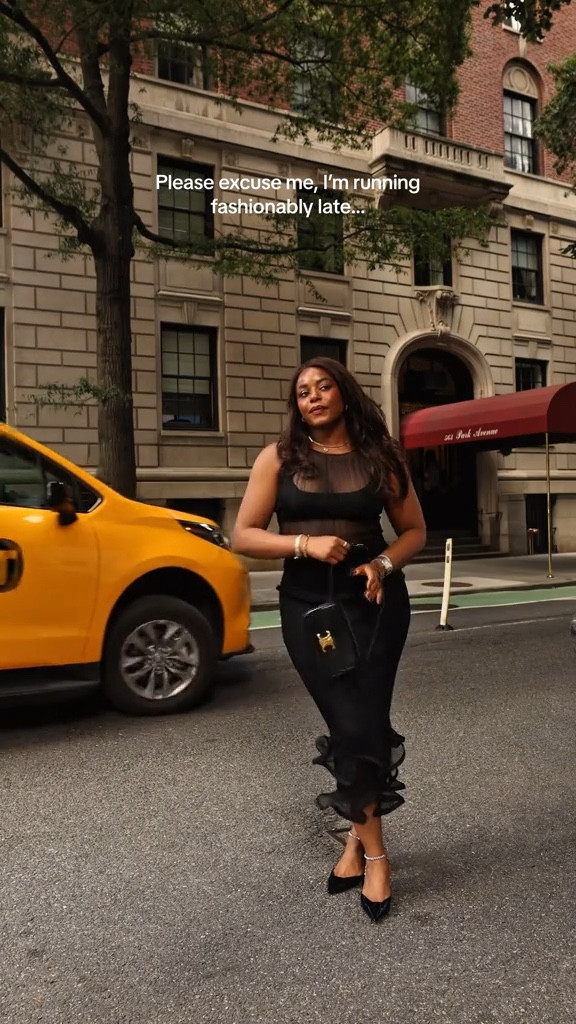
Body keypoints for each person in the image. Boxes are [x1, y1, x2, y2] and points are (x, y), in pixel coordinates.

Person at [232, 357, 426, 922]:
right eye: (302, 392)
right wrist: (304, 544)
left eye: (323, 386)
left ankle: (360, 849)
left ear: (344, 393)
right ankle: (377, 856)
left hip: (375, 605)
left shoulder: (382, 456)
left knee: (365, 724)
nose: (312, 397)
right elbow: (243, 535)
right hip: (309, 608)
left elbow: (414, 531)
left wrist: (383, 565)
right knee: (350, 723)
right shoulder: (278, 458)